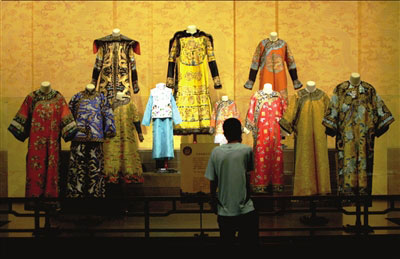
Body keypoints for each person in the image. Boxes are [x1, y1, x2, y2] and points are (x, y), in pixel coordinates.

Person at [205, 118, 259, 247]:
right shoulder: (246, 151)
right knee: (248, 244)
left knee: (226, 244)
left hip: (224, 208)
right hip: (245, 207)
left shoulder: (216, 152)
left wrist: (213, 200)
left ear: (224, 134)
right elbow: (247, 176)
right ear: (240, 133)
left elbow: (213, 180)